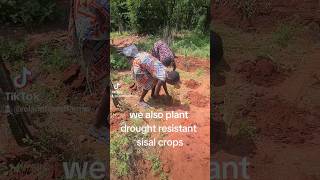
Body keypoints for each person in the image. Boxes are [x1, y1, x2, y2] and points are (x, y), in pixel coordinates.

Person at [68, 0, 109, 142]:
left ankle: (101, 122)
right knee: (109, 84)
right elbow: (103, 7)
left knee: (107, 84)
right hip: (95, 35)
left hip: (92, 33)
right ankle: (98, 126)